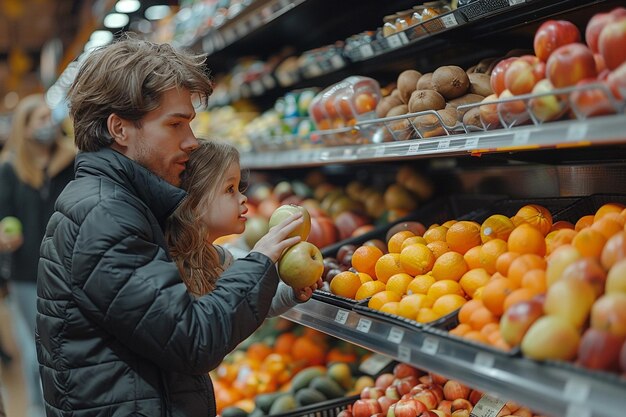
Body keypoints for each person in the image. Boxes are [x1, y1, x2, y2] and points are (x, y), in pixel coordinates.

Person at [37, 35, 316, 417]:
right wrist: (262, 260)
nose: (191, 142)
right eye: (175, 124)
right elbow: (193, 338)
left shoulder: (120, 203)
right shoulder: (105, 216)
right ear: (119, 129)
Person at [166, 139, 320, 312]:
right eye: (230, 189)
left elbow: (254, 300)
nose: (244, 198)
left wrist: (292, 293)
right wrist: (259, 257)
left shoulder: (225, 258)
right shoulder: (171, 270)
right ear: (194, 203)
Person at [0, 93, 75, 416]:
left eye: (50, 118)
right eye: (40, 119)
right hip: (26, 272)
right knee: (36, 348)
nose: (49, 124)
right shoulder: (10, 168)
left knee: (66, 345)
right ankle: (39, 407)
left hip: (70, 269)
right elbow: (4, 213)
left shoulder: (73, 160)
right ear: (25, 128)